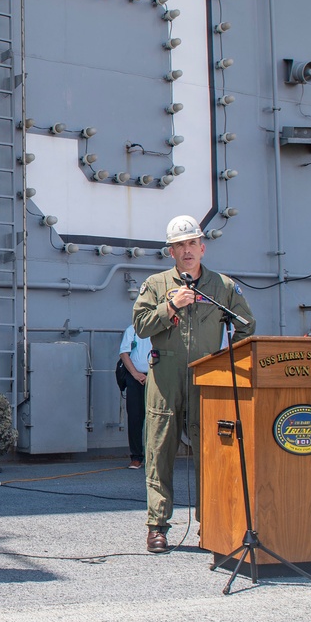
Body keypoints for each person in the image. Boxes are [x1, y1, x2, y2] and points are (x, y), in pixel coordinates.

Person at [132, 215, 255, 553]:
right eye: (179, 245)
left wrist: (225, 364)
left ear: (202, 247)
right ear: (170, 252)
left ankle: (211, 524)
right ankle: (157, 526)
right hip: (165, 376)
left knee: (211, 452)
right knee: (159, 449)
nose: (186, 251)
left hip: (207, 377)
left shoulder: (223, 287)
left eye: (191, 244)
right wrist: (171, 304)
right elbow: (141, 326)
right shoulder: (156, 284)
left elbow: (246, 327)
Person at [118, 324, 152, 469]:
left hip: (157, 377)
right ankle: (136, 457)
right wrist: (136, 374)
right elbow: (124, 353)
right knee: (135, 418)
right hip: (136, 376)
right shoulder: (132, 329)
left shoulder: (163, 327)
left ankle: (155, 457)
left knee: (157, 418)